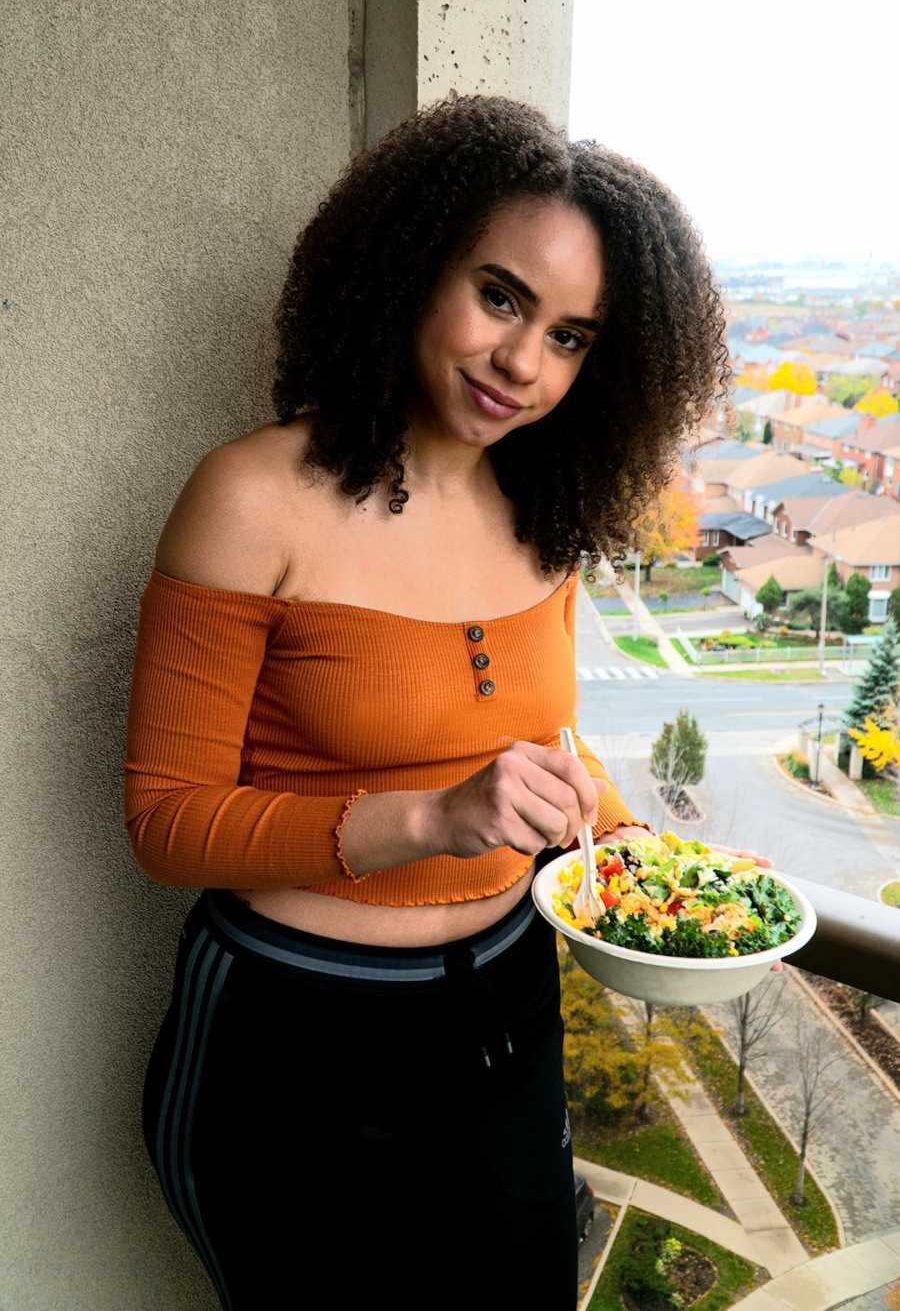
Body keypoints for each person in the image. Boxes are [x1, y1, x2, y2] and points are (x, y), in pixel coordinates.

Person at [126, 92, 777, 1311]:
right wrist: (426, 819)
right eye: (501, 296)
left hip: (508, 1001)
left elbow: (550, 750)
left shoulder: (546, 517)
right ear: (412, 264)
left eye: (574, 337)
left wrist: (656, 867)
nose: (525, 364)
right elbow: (167, 820)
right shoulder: (249, 497)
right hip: (292, 1033)